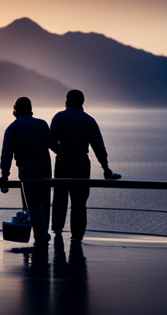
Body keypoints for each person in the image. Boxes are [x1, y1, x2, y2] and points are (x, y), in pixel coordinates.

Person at [50, 89, 120, 241]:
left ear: (67, 100)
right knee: (79, 203)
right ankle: (77, 237)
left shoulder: (59, 117)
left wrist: (61, 152)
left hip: (63, 164)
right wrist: (105, 168)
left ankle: (57, 232)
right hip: (82, 164)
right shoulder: (89, 120)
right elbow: (99, 147)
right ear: (82, 102)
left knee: (59, 200)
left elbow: (50, 141)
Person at [0, 97, 52, 248]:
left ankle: (40, 237)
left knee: (33, 205)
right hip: (45, 169)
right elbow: (53, 145)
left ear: (15, 110)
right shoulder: (41, 124)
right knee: (45, 204)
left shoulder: (12, 128)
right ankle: (43, 234)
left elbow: (6, 155)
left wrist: (4, 175)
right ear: (30, 109)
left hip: (27, 171)